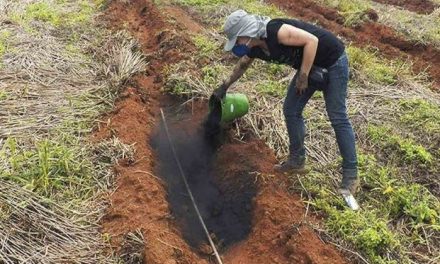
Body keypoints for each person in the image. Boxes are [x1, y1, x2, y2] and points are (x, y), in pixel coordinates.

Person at [212, 10, 359, 194]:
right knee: (291, 109)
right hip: (311, 65)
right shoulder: (256, 48)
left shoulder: (275, 31)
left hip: (332, 60)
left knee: (337, 116)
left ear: (247, 33)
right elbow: (242, 65)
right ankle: (297, 161)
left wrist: (303, 76)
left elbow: (312, 41)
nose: (238, 46)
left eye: (238, 41)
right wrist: (224, 87)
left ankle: (351, 176)